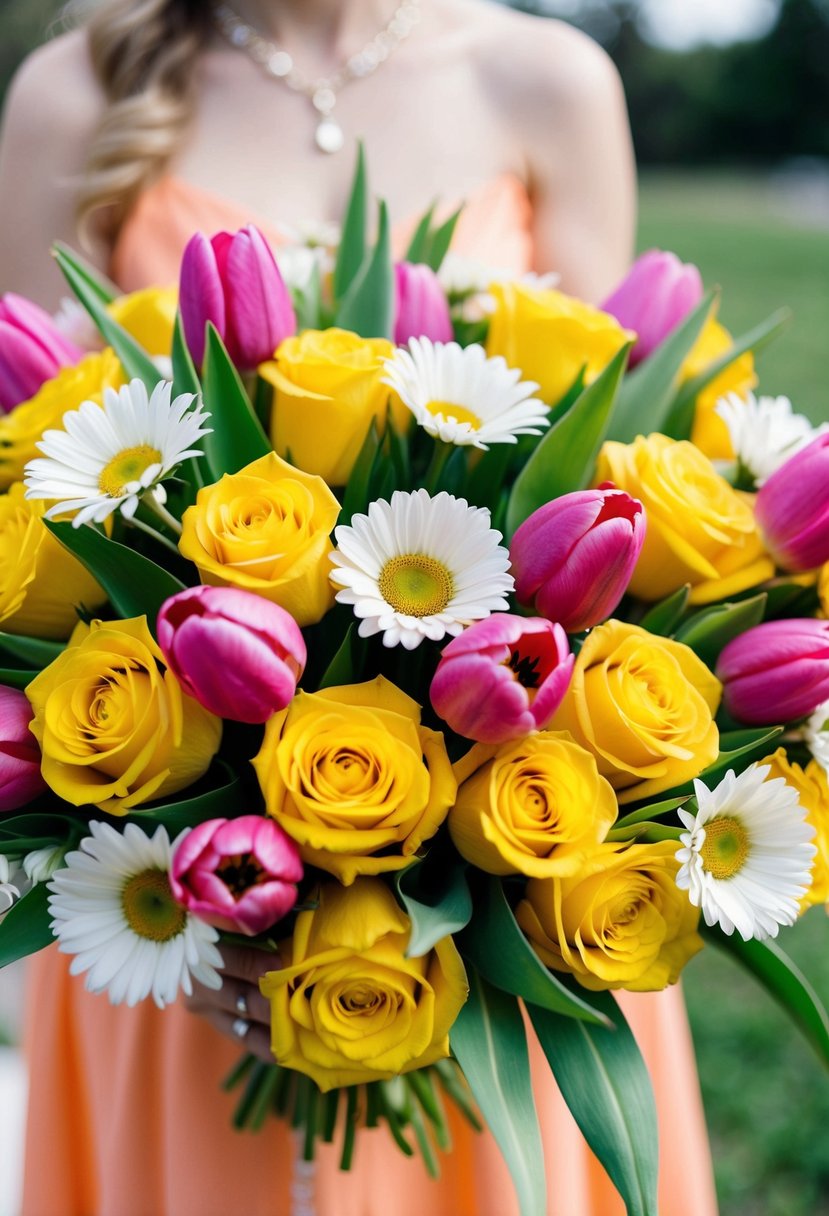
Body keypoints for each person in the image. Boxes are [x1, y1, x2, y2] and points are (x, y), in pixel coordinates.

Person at [0, 2, 719, 1213]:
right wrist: (179, 888)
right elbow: (27, 480)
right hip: (171, 923)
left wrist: (489, 872)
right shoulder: (72, 91)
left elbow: (625, 498)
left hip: (506, 917)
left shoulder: (552, 81)